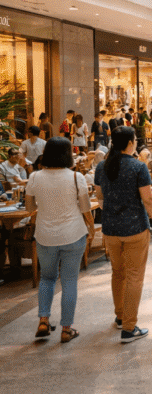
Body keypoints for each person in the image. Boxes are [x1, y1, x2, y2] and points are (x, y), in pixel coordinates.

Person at [95, 126, 152, 343]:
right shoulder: (138, 166)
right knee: (134, 276)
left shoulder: (102, 166)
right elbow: (148, 199)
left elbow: (99, 196)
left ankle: (120, 316)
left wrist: (112, 210)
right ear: (129, 143)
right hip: (135, 228)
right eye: (134, 139)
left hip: (111, 229)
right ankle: (129, 327)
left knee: (118, 273)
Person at [25, 137, 93, 343]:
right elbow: (86, 208)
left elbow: (29, 208)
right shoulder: (76, 177)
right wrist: (91, 227)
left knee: (47, 278)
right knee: (69, 280)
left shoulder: (35, 177)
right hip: (73, 234)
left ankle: (43, 320)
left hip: (45, 235)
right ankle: (66, 329)